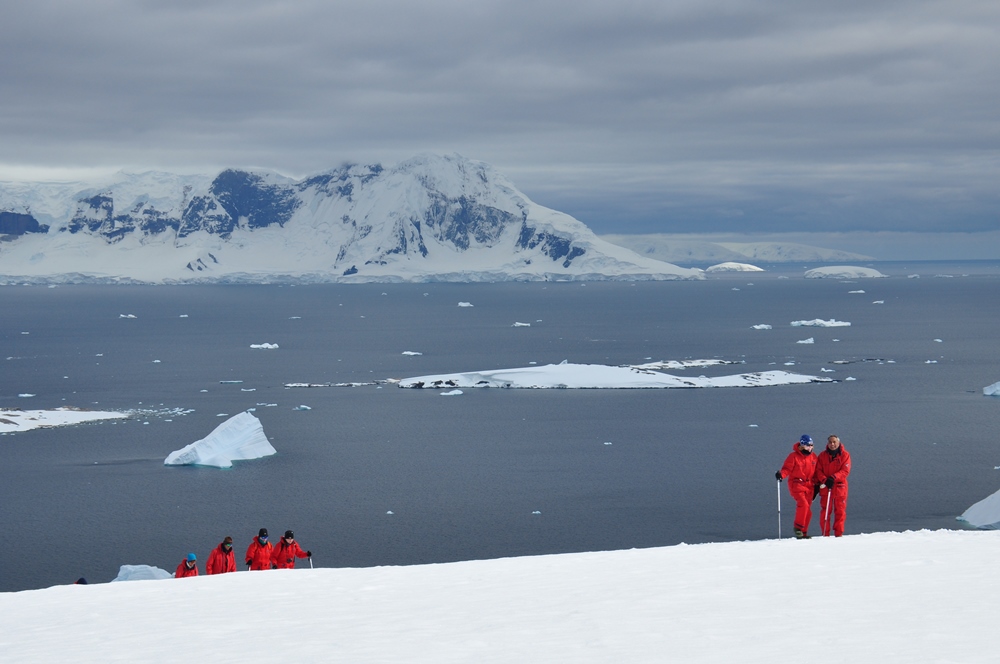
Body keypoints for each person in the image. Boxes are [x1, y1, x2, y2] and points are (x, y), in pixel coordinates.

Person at [776, 434, 819, 539]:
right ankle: (798, 528)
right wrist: (781, 475)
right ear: (802, 445)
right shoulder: (794, 456)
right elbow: (787, 469)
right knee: (803, 504)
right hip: (797, 484)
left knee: (808, 510)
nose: (810, 447)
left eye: (811, 445)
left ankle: (803, 532)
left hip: (809, 486)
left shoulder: (814, 457)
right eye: (808, 445)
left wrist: (818, 484)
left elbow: (817, 472)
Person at [814, 435, 852, 537]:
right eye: (830, 442)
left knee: (840, 511)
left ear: (838, 443)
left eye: (834, 442)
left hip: (840, 487)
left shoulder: (845, 455)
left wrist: (834, 478)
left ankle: (838, 534)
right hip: (826, 487)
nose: (832, 444)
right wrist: (825, 480)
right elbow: (818, 470)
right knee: (825, 512)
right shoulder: (822, 456)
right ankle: (825, 534)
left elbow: (845, 471)